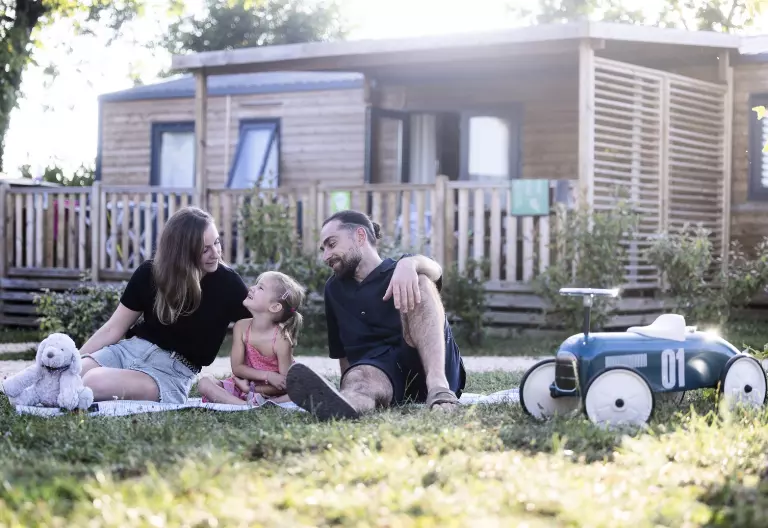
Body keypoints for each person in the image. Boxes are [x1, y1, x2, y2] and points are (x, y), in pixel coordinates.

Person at [286, 209, 466, 420]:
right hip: (381, 374)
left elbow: (436, 270)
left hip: (432, 368)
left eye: (331, 244)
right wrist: (349, 382)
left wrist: (411, 263)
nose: (326, 256)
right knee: (359, 379)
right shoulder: (333, 289)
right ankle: (344, 404)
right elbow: (343, 353)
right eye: (323, 249)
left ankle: (439, 390)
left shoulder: (401, 270)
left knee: (421, 281)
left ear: (360, 236)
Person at [78, 206, 253, 404]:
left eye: (217, 242)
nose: (216, 253)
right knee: (70, 373)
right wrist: (72, 361)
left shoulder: (228, 283)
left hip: (169, 373)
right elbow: (113, 328)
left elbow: (258, 331)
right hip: (128, 351)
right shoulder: (150, 273)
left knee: (92, 382)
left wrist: (253, 376)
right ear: (182, 252)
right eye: (205, 249)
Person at [198, 271, 306, 406]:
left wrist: (253, 390)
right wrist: (266, 377)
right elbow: (237, 368)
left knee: (301, 389)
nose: (251, 288)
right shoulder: (241, 327)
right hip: (242, 386)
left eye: (260, 288)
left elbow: (285, 384)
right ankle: (246, 406)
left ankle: (265, 403)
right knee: (204, 382)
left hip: (271, 392)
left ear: (275, 307)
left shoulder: (282, 340)